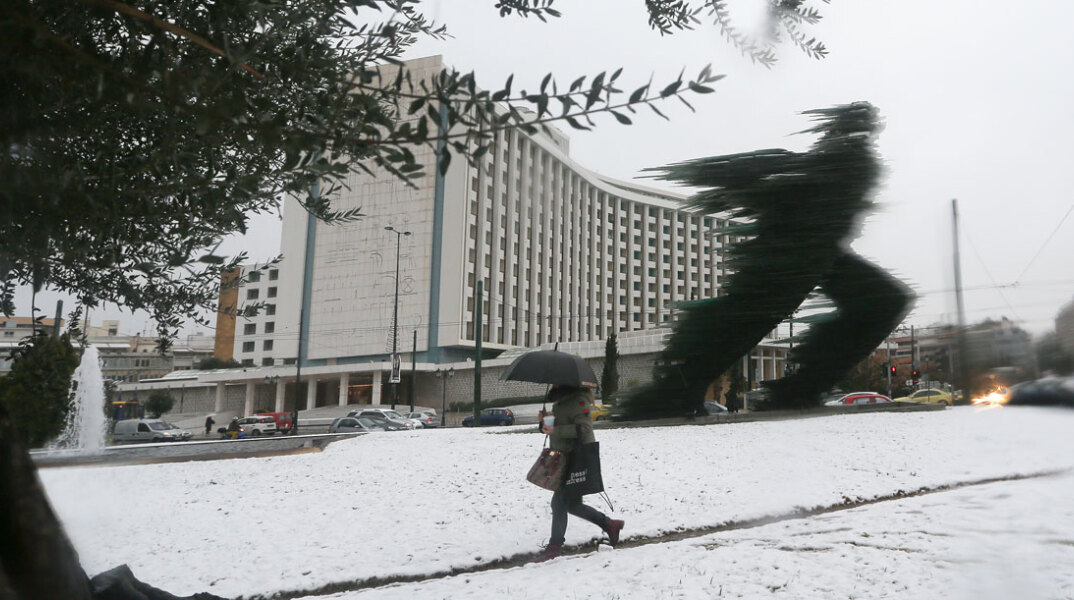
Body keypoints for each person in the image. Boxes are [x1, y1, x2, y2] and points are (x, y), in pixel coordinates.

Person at [535, 384, 624, 562]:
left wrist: (555, 429)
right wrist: (543, 423)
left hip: (575, 459)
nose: (554, 384)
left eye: (557, 382)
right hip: (563, 459)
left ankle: (554, 547)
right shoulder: (560, 402)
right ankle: (610, 524)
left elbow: (584, 429)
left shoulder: (578, 401)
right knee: (572, 505)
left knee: (559, 502)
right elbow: (557, 429)